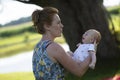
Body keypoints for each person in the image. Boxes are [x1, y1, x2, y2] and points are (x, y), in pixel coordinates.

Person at [32, 7, 92, 80]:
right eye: (58, 23)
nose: (62, 26)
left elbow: (52, 73)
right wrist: (91, 51)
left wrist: (66, 59)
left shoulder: (37, 47)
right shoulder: (54, 47)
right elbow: (79, 71)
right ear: (47, 26)